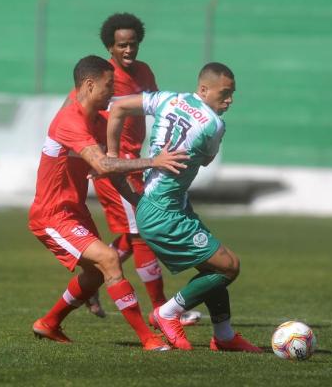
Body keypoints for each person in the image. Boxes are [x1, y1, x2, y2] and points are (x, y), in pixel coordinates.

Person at [29, 55, 188, 351]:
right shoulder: (69, 120)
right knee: (110, 259)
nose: (113, 92)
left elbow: (109, 168)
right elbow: (103, 163)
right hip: (52, 215)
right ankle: (148, 338)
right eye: (108, 86)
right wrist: (154, 161)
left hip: (75, 212)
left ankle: (49, 323)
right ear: (89, 86)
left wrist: (140, 203)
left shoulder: (98, 122)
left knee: (94, 274)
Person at [106, 62, 263, 352]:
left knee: (214, 266)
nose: (229, 100)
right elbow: (205, 160)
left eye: (232, 94)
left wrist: (112, 156)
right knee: (229, 267)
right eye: (225, 93)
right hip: (165, 213)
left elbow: (117, 108)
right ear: (204, 89)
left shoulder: (169, 98)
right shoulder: (214, 125)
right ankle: (167, 312)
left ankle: (225, 335)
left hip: (159, 205)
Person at [81, 12, 201, 326]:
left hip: (137, 163)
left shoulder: (144, 71)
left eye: (133, 44)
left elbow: (158, 108)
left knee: (131, 234)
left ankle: (90, 283)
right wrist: (100, 158)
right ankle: (162, 310)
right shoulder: (105, 78)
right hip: (115, 167)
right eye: (122, 45)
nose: (128, 51)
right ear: (110, 46)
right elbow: (85, 115)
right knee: (141, 234)